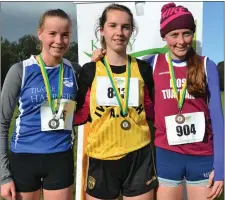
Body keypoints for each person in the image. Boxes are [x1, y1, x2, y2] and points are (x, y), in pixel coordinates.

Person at [91, 2, 224, 200]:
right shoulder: (151, 64)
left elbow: (218, 119)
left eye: (187, 33)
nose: (181, 41)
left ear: (193, 34)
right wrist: (99, 56)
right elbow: (119, 63)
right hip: (167, 156)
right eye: (174, 35)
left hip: (202, 156)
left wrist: (221, 168)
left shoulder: (206, 65)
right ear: (164, 36)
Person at [74, 3, 158, 200]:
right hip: (101, 157)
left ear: (131, 31)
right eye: (113, 26)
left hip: (139, 156)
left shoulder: (144, 69)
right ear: (102, 30)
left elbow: (152, 112)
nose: (119, 32)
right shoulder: (90, 70)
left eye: (125, 27)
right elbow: (80, 115)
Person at [0, 9, 79, 200]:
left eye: (65, 35)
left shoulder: (75, 71)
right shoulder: (20, 70)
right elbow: (2, 124)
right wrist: (3, 177)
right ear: (40, 34)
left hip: (60, 158)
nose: (59, 41)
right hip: (24, 158)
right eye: (52, 33)